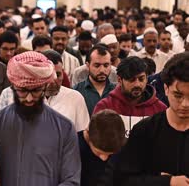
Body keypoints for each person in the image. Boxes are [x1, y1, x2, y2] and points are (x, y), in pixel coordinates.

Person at [0, 51, 81, 186]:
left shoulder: (64, 127)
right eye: (23, 91)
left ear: (45, 87)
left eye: (35, 91)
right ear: (13, 87)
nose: (29, 98)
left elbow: (71, 180)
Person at [113, 52, 189, 185]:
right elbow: (124, 180)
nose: (185, 104)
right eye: (178, 95)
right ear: (166, 89)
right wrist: (166, 182)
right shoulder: (145, 130)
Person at [93, 56, 167, 135]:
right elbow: (95, 141)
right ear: (119, 80)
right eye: (131, 80)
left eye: (141, 79)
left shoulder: (160, 109)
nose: (137, 84)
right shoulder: (105, 107)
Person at [42, 50, 90, 131]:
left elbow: (83, 133)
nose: (53, 80)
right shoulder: (28, 99)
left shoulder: (75, 98)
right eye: (48, 74)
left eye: (58, 74)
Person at [79, 109, 126, 186]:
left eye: (110, 154)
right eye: (99, 152)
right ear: (88, 135)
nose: (104, 158)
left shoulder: (118, 145)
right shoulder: (72, 148)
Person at [74, 45, 116, 115]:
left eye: (106, 65)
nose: (102, 70)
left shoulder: (118, 92)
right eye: (97, 65)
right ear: (88, 65)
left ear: (110, 65)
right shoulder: (77, 92)